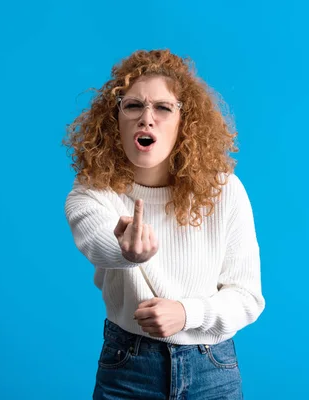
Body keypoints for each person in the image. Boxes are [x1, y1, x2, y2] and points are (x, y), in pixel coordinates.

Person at [63, 49, 265, 399]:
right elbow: (96, 240)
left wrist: (187, 313)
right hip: (128, 367)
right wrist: (127, 250)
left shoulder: (225, 191)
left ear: (185, 124)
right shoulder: (93, 191)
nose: (147, 118)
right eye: (133, 106)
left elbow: (247, 297)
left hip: (211, 369)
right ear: (115, 120)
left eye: (163, 107)